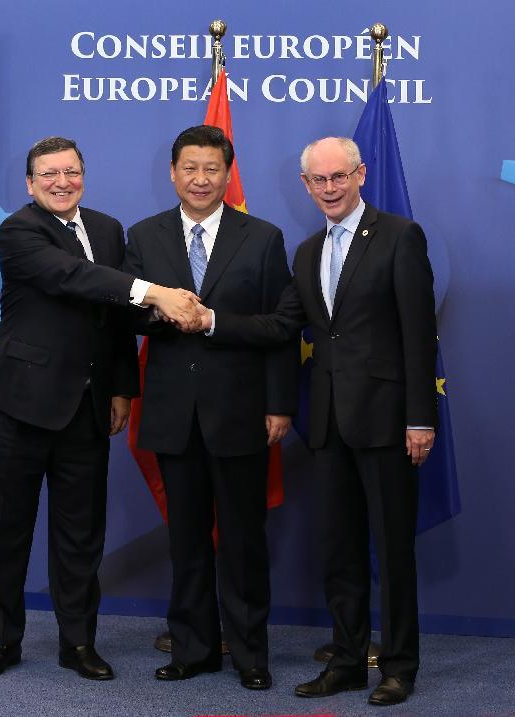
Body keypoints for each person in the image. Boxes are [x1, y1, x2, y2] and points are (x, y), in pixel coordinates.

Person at [199, 137, 437, 706]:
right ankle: (348, 660)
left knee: (393, 552)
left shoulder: (401, 236)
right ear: (306, 186)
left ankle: (399, 667)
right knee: (340, 550)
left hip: (388, 422)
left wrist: (419, 419)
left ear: (360, 175)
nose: (329, 189)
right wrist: (210, 320)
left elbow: (417, 335)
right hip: (327, 425)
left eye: (339, 177)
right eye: (318, 181)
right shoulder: (306, 252)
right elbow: (282, 326)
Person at [0, 136, 202, 680]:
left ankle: (78, 644)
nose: (60, 182)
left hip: (87, 407)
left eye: (70, 172)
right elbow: (71, 278)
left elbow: (114, 316)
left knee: (81, 535)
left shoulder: (106, 229)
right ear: (30, 184)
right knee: (8, 530)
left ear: (83, 175)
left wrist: (124, 386)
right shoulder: (19, 230)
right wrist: (157, 293)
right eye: (48, 174)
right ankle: (2, 641)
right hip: (19, 407)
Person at [123, 125, 299, 691]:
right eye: (190, 168)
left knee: (244, 541)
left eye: (212, 169)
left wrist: (278, 403)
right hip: (172, 412)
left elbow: (281, 326)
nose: (201, 179)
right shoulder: (144, 236)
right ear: (172, 173)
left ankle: (251, 655)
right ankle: (193, 648)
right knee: (187, 540)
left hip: (242, 412)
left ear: (228, 174)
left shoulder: (263, 237)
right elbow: (123, 318)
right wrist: (162, 313)